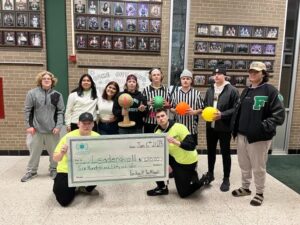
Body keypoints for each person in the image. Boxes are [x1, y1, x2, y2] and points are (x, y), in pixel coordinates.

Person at [231, 62, 285, 206]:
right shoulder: (246, 90)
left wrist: (261, 127)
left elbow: (279, 116)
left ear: (263, 74)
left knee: (258, 167)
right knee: (244, 165)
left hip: (259, 138)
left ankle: (259, 192)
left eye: (256, 71)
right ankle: (245, 188)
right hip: (242, 135)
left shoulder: (271, 91)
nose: (252, 74)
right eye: (251, 71)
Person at [147, 109, 205, 198]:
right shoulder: (157, 132)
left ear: (167, 116)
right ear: (156, 119)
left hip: (187, 160)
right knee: (154, 161)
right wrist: (166, 164)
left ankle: (202, 180)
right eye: (158, 117)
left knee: (183, 193)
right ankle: (162, 188)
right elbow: (159, 151)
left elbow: (191, 145)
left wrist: (175, 142)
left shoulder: (179, 127)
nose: (161, 119)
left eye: (163, 116)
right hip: (175, 158)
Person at [21, 71, 65, 182]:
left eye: (48, 79)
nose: (46, 80)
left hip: (52, 130)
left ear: (52, 81)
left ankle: (54, 169)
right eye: (44, 78)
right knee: (34, 152)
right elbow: (27, 110)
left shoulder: (57, 95)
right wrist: (29, 126)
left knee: (54, 152)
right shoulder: (32, 93)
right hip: (36, 129)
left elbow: (60, 111)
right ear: (40, 80)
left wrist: (58, 126)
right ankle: (31, 171)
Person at [202, 66, 239, 192]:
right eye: (214, 74)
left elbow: (236, 109)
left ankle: (226, 178)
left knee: (225, 153)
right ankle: (210, 174)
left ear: (225, 76)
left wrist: (222, 114)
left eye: (219, 74)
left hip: (224, 128)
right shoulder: (210, 90)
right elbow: (205, 105)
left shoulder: (232, 90)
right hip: (210, 127)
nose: (216, 76)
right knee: (211, 152)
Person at [53, 112, 99, 207]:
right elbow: (55, 158)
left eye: (89, 123)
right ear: (78, 124)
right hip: (68, 170)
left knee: (101, 173)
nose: (86, 126)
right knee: (64, 201)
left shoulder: (97, 137)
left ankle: (84, 187)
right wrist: (62, 153)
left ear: (93, 124)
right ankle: (68, 185)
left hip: (87, 169)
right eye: (84, 123)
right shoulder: (68, 137)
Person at [170, 69, 204, 146]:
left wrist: (194, 112)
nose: (185, 81)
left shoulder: (196, 93)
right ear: (181, 80)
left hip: (192, 128)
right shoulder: (175, 94)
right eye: (183, 78)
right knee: (179, 148)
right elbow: (171, 108)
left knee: (192, 149)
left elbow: (202, 109)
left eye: (188, 79)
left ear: (191, 80)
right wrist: (174, 110)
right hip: (179, 127)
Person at [142, 68, 170, 133]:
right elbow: (142, 105)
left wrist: (167, 105)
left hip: (163, 122)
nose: (156, 76)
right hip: (149, 122)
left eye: (158, 74)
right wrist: (148, 103)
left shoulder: (166, 90)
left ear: (161, 76)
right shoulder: (146, 90)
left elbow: (170, 106)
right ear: (151, 77)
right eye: (154, 75)